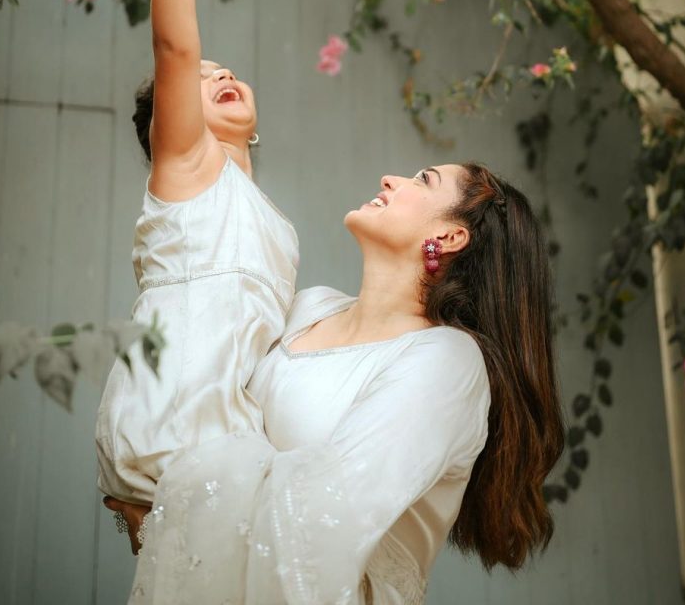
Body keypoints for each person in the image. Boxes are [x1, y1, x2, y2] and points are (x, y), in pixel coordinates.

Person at [121, 159, 565, 603]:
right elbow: (212, 392)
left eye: (423, 179)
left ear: (450, 237)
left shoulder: (448, 361)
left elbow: (325, 515)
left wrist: (173, 502)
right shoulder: (308, 308)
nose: (389, 178)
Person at [94, 0, 299, 513]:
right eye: (205, 80)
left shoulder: (266, 213)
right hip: (172, 426)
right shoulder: (186, 167)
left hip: (238, 439)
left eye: (230, 72)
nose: (221, 75)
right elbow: (176, 48)